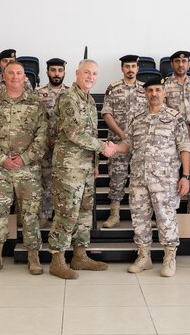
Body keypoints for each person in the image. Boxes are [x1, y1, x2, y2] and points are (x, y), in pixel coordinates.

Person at [114, 76, 190, 277]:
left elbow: (185, 147)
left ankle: (169, 257)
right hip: (139, 179)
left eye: (158, 90)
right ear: (145, 93)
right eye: (150, 91)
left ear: (164, 93)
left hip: (165, 181)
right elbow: (127, 145)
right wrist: (113, 148)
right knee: (139, 219)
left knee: (166, 219)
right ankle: (144, 257)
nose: (154, 94)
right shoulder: (138, 119)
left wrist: (185, 176)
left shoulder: (175, 118)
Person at [47, 59, 116, 279]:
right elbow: (74, 133)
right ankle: (57, 260)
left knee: (85, 212)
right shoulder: (69, 98)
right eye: (87, 72)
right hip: (68, 166)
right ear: (77, 73)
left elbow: (92, 133)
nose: (91, 77)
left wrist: (95, 163)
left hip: (85, 166)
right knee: (67, 212)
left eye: (94, 74)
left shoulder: (88, 100)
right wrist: (103, 148)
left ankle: (79, 256)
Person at [0, 61, 48, 275]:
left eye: (19, 73)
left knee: (30, 214)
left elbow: (42, 135)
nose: (15, 77)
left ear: (25, 77)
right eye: (11, 73)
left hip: (28, 169)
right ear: (4, 76)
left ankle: (33, 257)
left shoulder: (36, 104)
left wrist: (24, 158)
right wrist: (2, 159)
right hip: (0, 169)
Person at [101, 55, 146, 228]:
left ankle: (141, 216)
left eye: (133, 66)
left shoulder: (145, 89)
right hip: (117, 143)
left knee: (140, 181)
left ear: (138, 68)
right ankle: (115, 214)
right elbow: (106, 113)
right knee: (117, 179)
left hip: (140, 144)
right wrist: (122, 135)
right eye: (127, 66)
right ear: (122, 68)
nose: (130, 69)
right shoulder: (113, 88)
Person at [164, 50, 190, 214]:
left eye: (184, 61)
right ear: (172, 64)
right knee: (171, 170)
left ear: (188, 64)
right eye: (177, 61)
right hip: (171, 136)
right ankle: (169, 207)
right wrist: (179, 127)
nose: (180, 64)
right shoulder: (165, 85)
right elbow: (162, 109)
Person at [34, 58, 69, 228]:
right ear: (47, 72)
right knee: (45, 182)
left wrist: (60, 139)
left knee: (63, 184)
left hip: (65, 147)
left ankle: (60, 217)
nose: (57, 74)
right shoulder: (38, 93)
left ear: (64, 72)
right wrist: (47, 138)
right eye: (53, 70)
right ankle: (45, 215)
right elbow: (35, 120)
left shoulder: (71, 93)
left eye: (60, 70)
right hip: (44, 147)